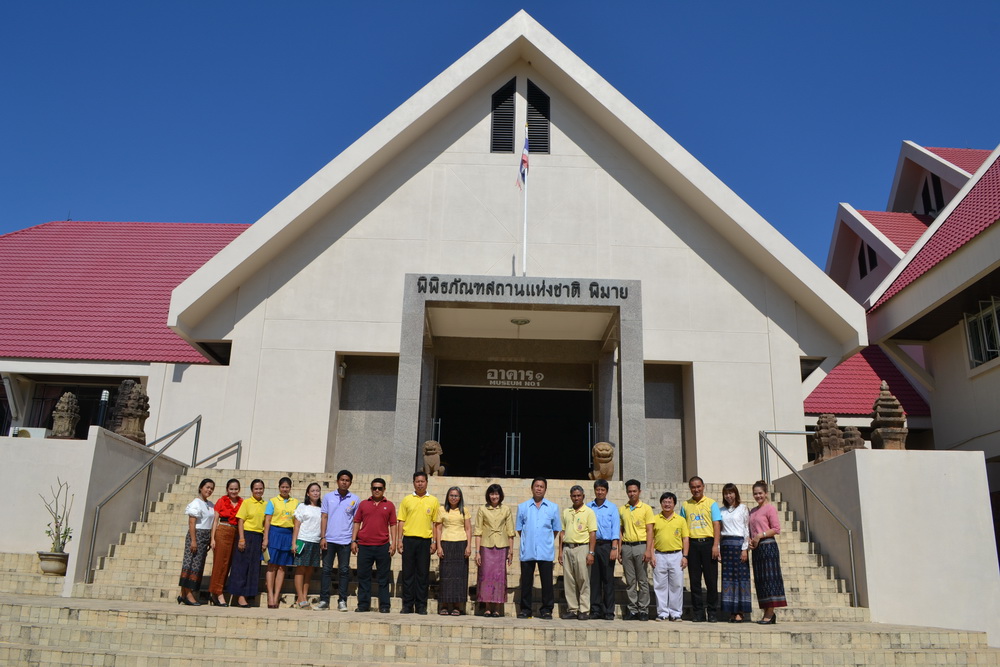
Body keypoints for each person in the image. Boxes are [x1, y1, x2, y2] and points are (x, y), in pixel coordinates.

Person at [515, 478, 561, 620]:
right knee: (526, 582)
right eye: (536, 486)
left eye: (541, 486)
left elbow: (556, 529)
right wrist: (529, 539)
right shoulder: (522, 507)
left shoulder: (553, 507)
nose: (539, 489)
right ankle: (525, 610)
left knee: (547, 583)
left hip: (545, 550)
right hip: (528, 549)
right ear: (532, 488)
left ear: (545, 489)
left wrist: (545, 540)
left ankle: (547, 610)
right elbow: (519, 529)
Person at [680, 476, 722, 622]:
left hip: (708, 544)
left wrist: (715, 545)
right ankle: (698, 612)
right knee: (695, 581)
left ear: (703, 487)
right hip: (692, 545)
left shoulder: (711, 504)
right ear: (690, 488)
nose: (696, 489)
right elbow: (682, 527)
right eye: (693, 487)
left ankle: (712, 612)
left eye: (698, 486)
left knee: (711, 580)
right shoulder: (685, 505)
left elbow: (717, 525)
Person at [351, 477, 396, 613]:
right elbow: (357, 522)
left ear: (384, 490)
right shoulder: (364, 504)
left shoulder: (389, 505)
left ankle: (384, 606)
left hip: (383, 546)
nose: (377, 490)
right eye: (374, 488)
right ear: (371, 489)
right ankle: (363, 605)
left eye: (380, 488)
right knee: (363, 577)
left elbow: (393, 524)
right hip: (364, 545)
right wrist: (354, 540)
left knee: (383, 578)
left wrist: (394, 543)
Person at [397, 471, 439, 614]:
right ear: (413, 483)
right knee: (408, 574)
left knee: (422, 574)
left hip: (425, 541)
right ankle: (407, 605)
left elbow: (435, 523)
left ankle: (421, 605)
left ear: (427, 482)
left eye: (422, 481)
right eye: (417, 481)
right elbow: (401, 521)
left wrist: (434, 542)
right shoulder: (407, 500)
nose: (420, 483)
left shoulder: (433, 500)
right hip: (408, 540)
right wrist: (399, 540)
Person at [317, 470, 359, 611]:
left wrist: (354, 540)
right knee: (326, 570)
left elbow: (356, 521)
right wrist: (322, 537)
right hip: (329, 540)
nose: (344, 482)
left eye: (347, 480)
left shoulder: (355, 499)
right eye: (342, 480)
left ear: (350, 482)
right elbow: (324, 517)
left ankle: (342, 601)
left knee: (344, 571)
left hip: (346, 541)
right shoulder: (328, 497)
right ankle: (324, 600)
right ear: (337, 481)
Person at [749, 480, 787, 624]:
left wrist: (760, 535)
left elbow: (776, 529)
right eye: (755, 493)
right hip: (757, 549)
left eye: (760, 493)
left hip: (768, 546)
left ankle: (770, 612)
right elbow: (751, 530)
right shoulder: (752, 511)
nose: (758, 496)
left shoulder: (770, 509)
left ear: (765, 494)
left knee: (770, 579)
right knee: (761, 580)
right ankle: (766, 610)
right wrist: (751, 540)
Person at [474, 483, 514, 618]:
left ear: (500, 495)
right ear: (488, 495)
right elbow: (478, 531)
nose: (494, 496)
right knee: (486, 576)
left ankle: (497, 607)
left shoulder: (506, 509)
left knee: (499, 576)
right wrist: (477, 552)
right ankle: (486, 606)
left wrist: (511, 550)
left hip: (502, 546)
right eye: (492, 494)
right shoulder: (482, 509)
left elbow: (510, 531)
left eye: (496, 494)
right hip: (486, 545)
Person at [618, 479, 654, 621]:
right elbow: (620, 530)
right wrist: (620, 549)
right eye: (629, 491)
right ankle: (632, 609)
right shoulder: (622, 509)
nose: (632, 494)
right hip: (627, 546)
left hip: (641, 546)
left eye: (634, 491)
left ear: (639, 491)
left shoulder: (646, 508)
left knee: (643, 580)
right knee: (630, 580)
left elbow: (650, 530)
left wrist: (648, 550)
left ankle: (643, 609)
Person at [558, 485, 596, 620]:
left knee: (583, 579)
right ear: (570, 497)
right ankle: (572, 609)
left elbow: (592, 534)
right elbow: (562, 532)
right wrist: (560, 551)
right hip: (568, 548)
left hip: (582, 548)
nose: (576, 498)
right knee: (569, 580)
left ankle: (584, 610)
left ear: (583, 496)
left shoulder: (589, 512)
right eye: (574, 496)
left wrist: (591, 552)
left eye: (579, 495)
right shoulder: (566, 512)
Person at [651, 491, 689, 622]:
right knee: (660, 586)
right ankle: (662, 612)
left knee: (676, 585)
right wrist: (652, 555)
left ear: (674, 504)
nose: (667, 504)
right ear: (661, 503)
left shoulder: (681, 520)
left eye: (670, 502)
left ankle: (676, 613)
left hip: (676, 555)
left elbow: (685, 539)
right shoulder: (655, 519)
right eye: (664, 502)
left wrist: (685, 556)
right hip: (659, 555)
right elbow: (651, 538)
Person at [177, 478, 215, 606]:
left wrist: (210, 538)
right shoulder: (196, 503)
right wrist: (194, 540)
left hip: (205, 536)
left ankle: (184, 594)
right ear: (201, 488)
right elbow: (192, 523)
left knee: (198, 566)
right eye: (207, 487)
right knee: (190, 564)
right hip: (196, 535)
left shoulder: (210, 505)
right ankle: (188, 594)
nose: (209, 490)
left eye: (211, 488)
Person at [229, 478, 266, 607]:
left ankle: (248, 594)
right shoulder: (246, 503)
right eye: (256, 488)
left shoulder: (265, 504)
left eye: (260, 488)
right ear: (252, 490)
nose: (258, 491)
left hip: (258, 537)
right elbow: (240, 521)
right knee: (241, 567)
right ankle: (239, 596)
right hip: (246, 535)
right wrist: (241, 538)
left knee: (253, 568)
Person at [435, 486, 472, 615]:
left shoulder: (464, 511)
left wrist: (468, 546)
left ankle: (457, 606)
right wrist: (439, 546)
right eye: (451, 495)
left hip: (461, 544)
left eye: (456, 495)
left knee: (459, 576)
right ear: (447, 497)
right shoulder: (441, 510)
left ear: (460, 497)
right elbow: (438, 529)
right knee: (446, 576)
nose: (453, 498)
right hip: (446, 543)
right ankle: (444, 605)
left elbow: (468, 529)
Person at [263, 477, 298, 608]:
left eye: (287, 487)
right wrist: (266, 538)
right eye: (282, 487)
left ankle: (277, 595)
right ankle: (270, 596)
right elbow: (267, 521)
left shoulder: (295, 503)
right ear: (279, 488)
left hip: (288, 535)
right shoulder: (272, 501)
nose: (284, 489)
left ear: (290, 488)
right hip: (274, 533)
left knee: (282, 567)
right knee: (271, 565)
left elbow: (296, 523)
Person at [719, 482, 751, 623]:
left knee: (740, 579)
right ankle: (731, 611)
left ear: (736, 493)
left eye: (731, 493)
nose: (729, 495)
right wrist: (719, 549)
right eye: (726, 493)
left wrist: (745, 548)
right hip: (726, 545)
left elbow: (746, 529)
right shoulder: (721, 511)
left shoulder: (743, 508)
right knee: (728, 579)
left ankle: (740, 611)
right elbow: (719, 531)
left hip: (739, 545)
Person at [587, 479, 619, 620]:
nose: (600, 492)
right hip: (593, 546)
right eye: (597, 489)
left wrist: (614, 548)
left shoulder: (612, 508)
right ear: (594, 490)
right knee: (594, 579)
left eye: (602, 490)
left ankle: (608, 611)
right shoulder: (588, 507)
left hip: (607, 546)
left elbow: (615, 529)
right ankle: (595, 609)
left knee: (608, 579)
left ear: (606, 491)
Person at [208, 478, 242, 607]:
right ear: (227, 490)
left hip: (235, 533)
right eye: (231, 489)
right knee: (219, 563)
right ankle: (218, 592)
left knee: (228, 563)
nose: (233, 491)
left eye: (236, 489)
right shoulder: (221, 501)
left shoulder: (241, 502)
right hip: (222, 530)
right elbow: (215, 520)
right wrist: (212, 539)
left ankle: (215, 592)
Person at [291, 482, 323, 609]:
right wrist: (294, 543)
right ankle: (301, 597)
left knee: (309, 570)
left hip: (315, 542)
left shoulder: (322, 508)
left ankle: (304, 595)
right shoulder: (302, 507)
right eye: (313, 491)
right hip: (303, 540)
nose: (315, 493)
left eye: (317, 490)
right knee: (301, 569)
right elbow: (296, 526)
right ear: (308, 493)